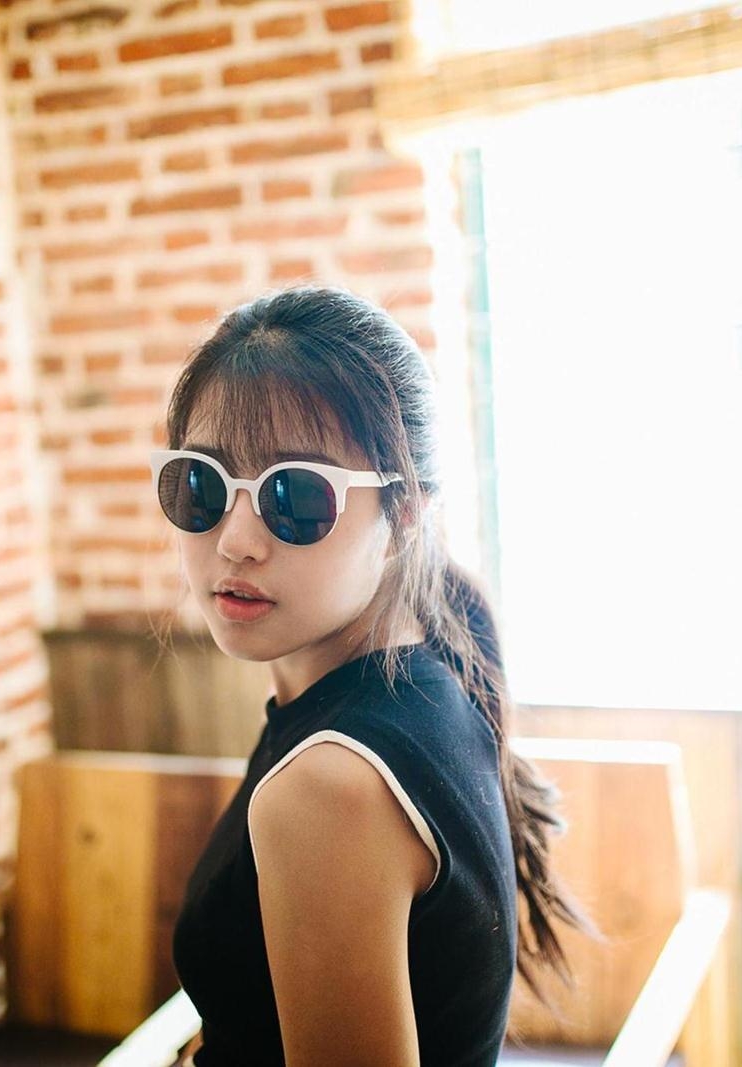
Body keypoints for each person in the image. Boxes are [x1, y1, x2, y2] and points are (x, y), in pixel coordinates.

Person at [153, 284, 602, 1066]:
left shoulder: (329, 787)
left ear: (404, 514)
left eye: (296, 495)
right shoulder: (425, 677)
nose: (236, 539)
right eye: (203, 484)